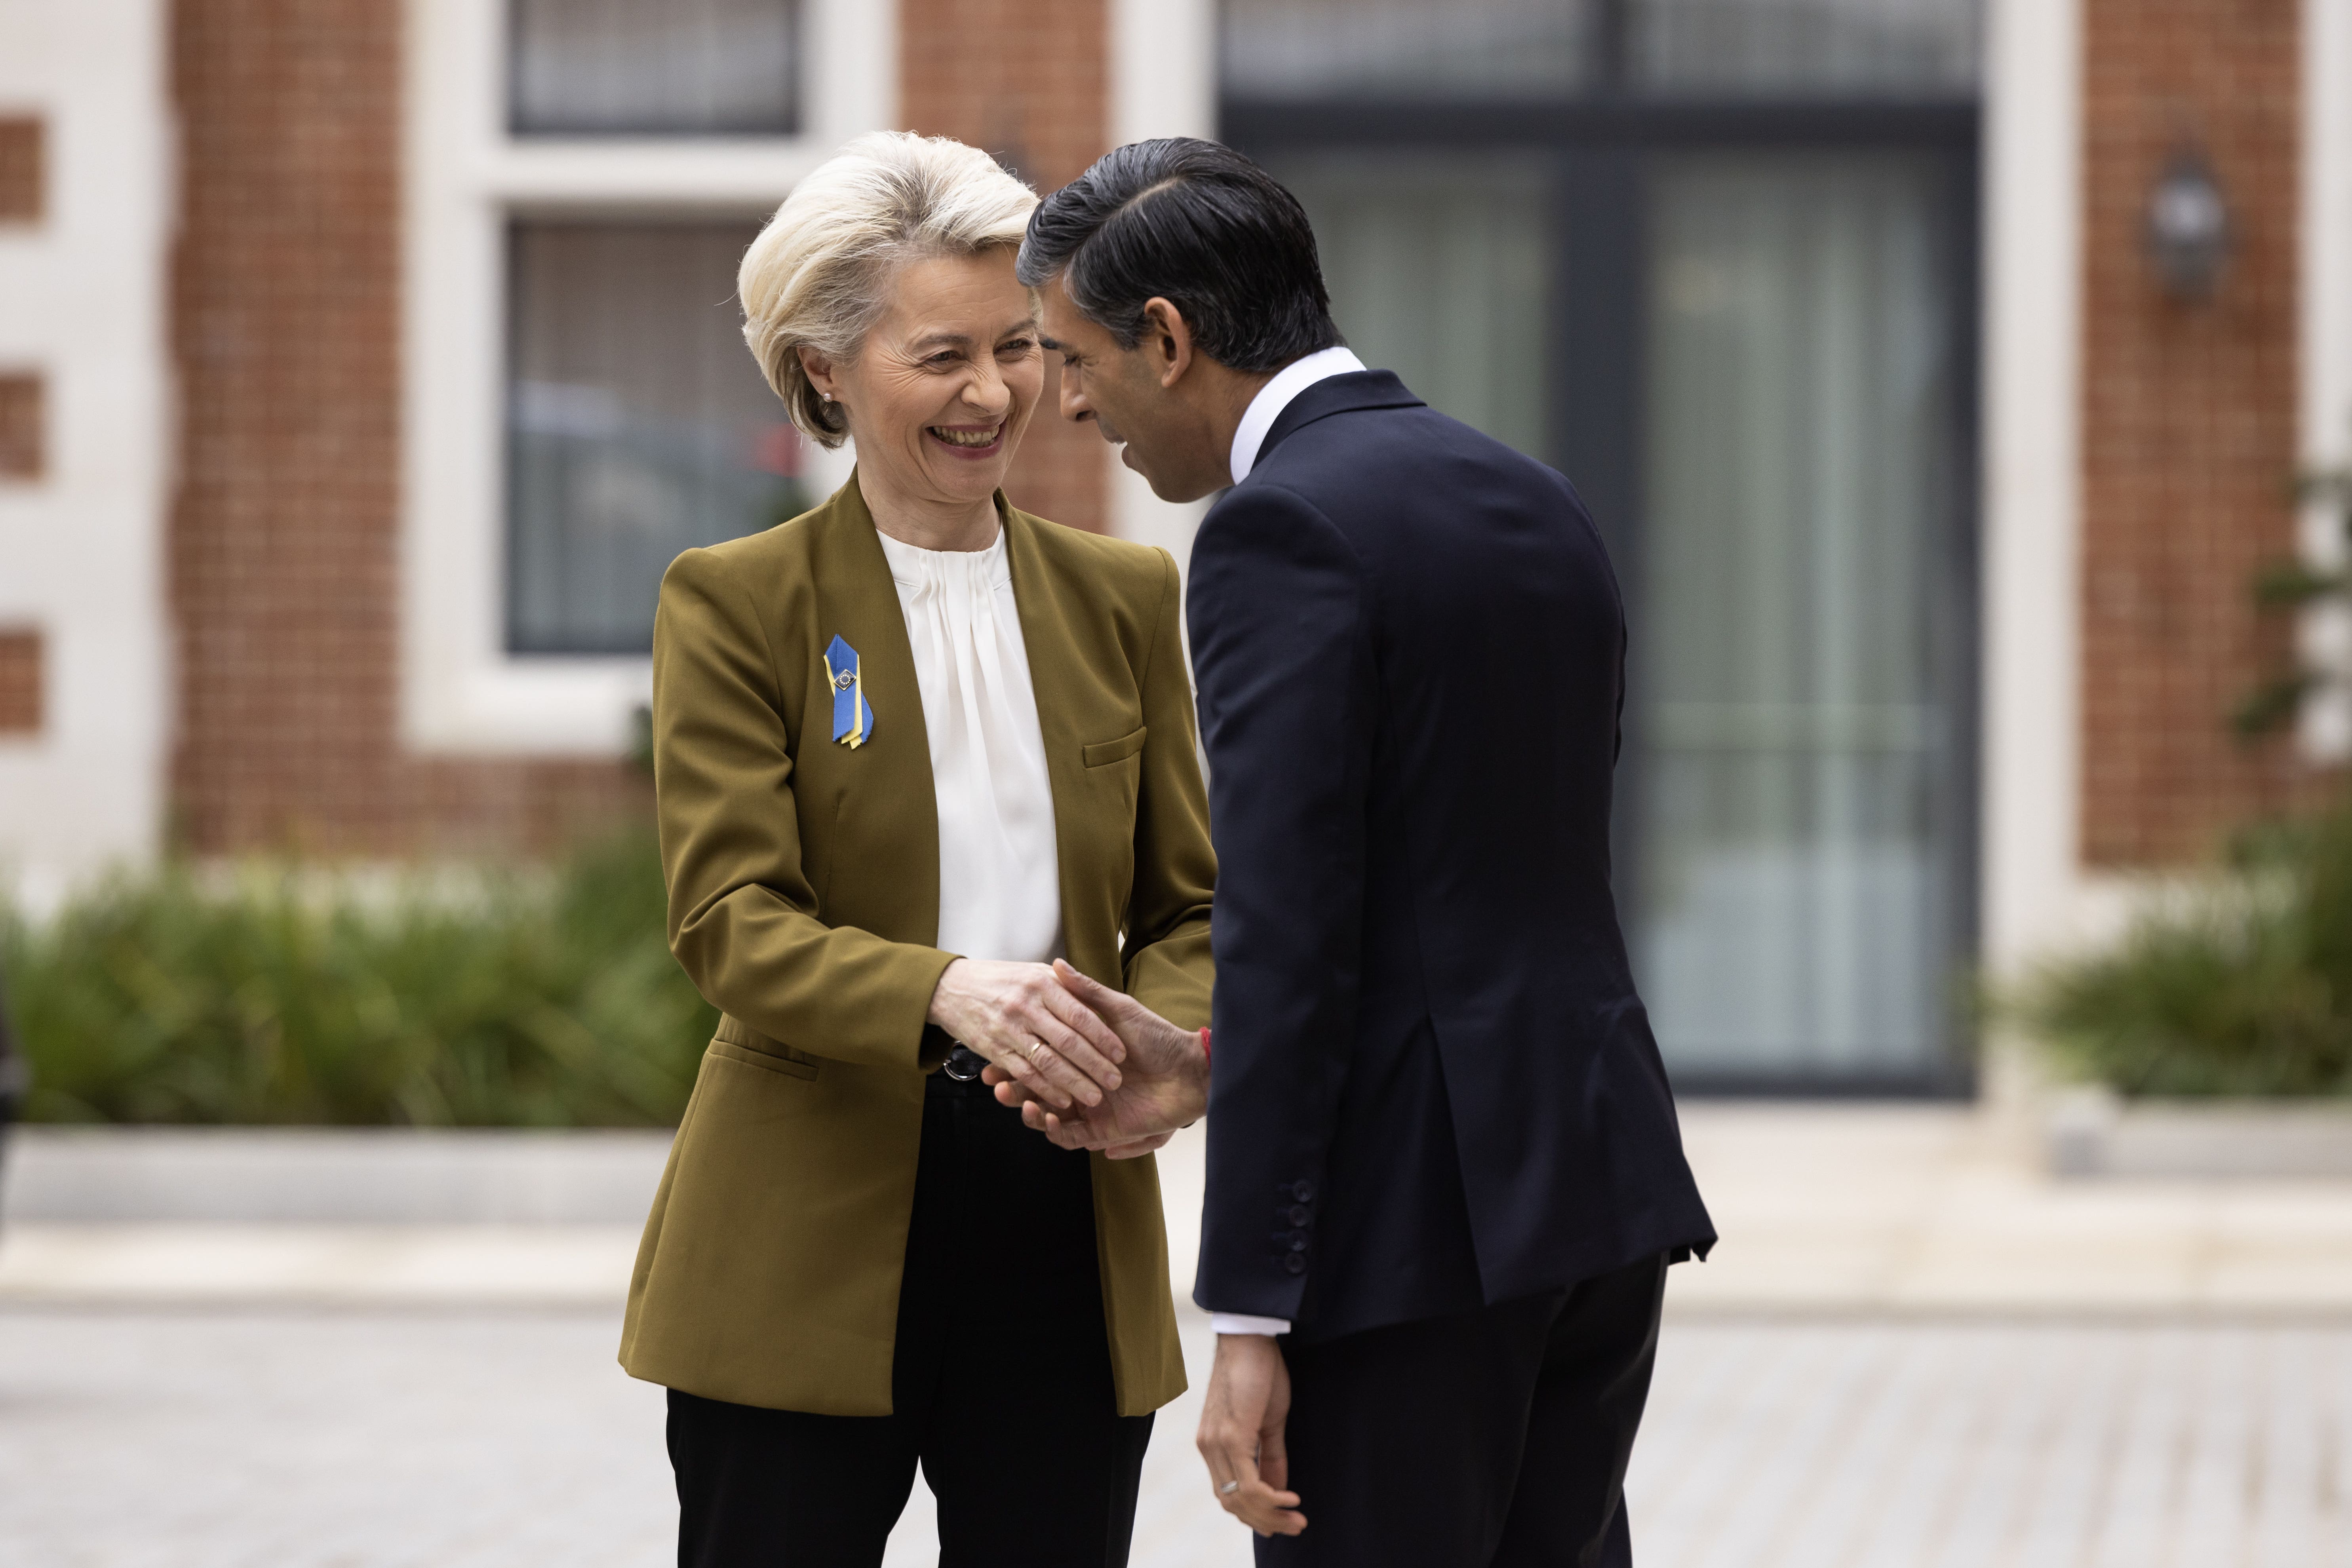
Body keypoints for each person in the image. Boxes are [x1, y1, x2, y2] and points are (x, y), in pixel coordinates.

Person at [998, 137, 1718, 1565]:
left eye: (1075, 360)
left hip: (1403, 1248)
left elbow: (1290, 925)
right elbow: (1473, 877)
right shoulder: (1531, 494)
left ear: (1168, 337)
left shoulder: (1278, 531)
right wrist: (1209, 1069)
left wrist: (1251, 1313)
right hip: (1588, 1196)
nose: (1069, 406)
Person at [618, 131, 1217, 1568]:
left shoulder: (1122, 595)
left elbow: (1190, 906)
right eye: (940, 353)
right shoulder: (733, 601)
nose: (994, 392)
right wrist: (950, 989)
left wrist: (1174, 1056)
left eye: (1020, 346)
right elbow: (728, 921)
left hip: (1066, 1214)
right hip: (800, 1232)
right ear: (823, 368)